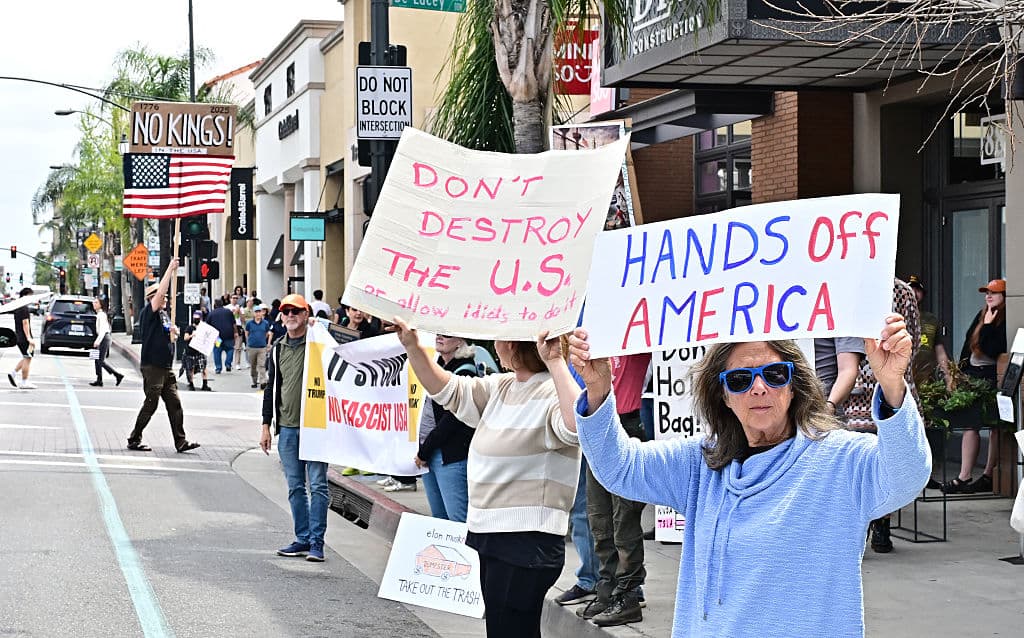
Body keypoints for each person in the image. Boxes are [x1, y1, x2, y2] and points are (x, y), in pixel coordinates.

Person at [567, 314, 929, 638]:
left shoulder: (839, 460)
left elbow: (906, 476)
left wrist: (893, 387)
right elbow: (619, 468)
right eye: (740, 379)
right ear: (723, 395)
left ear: (793, 385)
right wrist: (599, 390)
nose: (759, 388)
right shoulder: (699, 463)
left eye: (773, 375)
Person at [393, 318, 581, 638]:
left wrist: (556, 362)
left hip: (527, 538)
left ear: (511, 344)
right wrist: (412, 346)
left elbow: (577, 426)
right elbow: (446, 389)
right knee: (501, 628)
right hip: (491, 534)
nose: (493, 341)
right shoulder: (502, 386)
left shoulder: (552, 390)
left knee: (511, 630)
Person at [576, 352, 650, 626]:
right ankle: (607, 589)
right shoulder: (596, 344)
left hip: (626, 425)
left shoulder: (633, 345)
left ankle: (629, 594)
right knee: (599, 519)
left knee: (624, 520)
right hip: (598, 427)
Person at [260, 294, 329, 562]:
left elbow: (348, 344)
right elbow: (270, 388)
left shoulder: (319, 344)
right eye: (286, 311)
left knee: (319, 486)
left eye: (296, 311)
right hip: (287, 428)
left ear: (306, 313)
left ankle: (317, 542)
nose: (290, 315)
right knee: (295, 486)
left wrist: (321, 328)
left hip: (316, 427)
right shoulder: (278, 348)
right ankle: (302, 538)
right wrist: (266, 425)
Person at [126, 258, 200, 454]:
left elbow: (168, 334)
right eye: (162, 297)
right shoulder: (148, 312)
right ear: (152, 298)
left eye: (166, 298)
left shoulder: (163, 315)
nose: (165, 299)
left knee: (175, 404)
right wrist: (170, 269)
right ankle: (134, 438)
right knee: (151, 403)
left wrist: (173, 333)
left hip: (166, 367)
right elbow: (160, 293)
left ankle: (180, 441)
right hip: (153, 366)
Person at [943, 279, 1007, 495]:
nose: (989, 296)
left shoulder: (1001, 321)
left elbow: (993, 349)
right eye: (987, 292)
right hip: (973, 377)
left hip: (991, 378)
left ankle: (989, 474)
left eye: (995, 293)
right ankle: (964, 476)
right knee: (971, 424)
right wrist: (960, 373)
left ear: (1005, 297)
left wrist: (989, 326)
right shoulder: (981, 316)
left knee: (995, 426)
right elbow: (967, 346)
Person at [411, 335, 477, 521]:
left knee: (458, 521)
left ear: (460, 340)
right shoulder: (437, 364)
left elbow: (452, 420)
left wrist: (425, 450)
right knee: (439, 520)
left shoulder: (466, 371)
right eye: (438, 332)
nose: (440, 337)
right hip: (430, 453)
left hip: (450, 456)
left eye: (446, 334)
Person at [908, 275, 952, 389]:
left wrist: (948, 377)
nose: (914, 293)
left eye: (918, 290)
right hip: (902, 377)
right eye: (910, 289)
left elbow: (940, 351)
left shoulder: (931, 319)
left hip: (926, 377)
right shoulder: (895, 317)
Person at [89, 297, 125, 387]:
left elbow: (103, 330)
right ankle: (99, 379)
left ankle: (117, 375)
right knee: (97, 359)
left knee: (100, 360)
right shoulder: (100, 314)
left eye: (96, 302)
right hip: (102, 338)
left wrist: (97, 341)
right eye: (94, 302)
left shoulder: (101, 315)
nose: (94, 304)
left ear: (100, 304)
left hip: (104, 338)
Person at [8, 287, 38, 389]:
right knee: (28, 358)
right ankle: (24, 382)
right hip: (24, 337)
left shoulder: (18, 307)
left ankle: (13, 373)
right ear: (26, 296)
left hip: (19, 336)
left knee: (26, 357)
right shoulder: (24, 308)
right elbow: (25, 323)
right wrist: (29, 338)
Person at [181, 311, 212, 392]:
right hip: (190, 351)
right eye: (195, 318)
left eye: (197, 318)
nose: (196, 319)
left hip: (200, 351)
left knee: (203, 367)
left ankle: (205, 384)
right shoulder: (190, 328)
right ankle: (191, 384)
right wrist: (192, 335)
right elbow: (185, 338)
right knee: (191, 368)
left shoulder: (204, 328)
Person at [245, 305, 272, 389]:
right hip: (252, 347)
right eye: (256, 312)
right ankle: (254, 380)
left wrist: (266, 343)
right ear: (254, 313)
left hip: (262, 347)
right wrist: (249, 342)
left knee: (262, 365)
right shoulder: (249, 323)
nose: (258, 314)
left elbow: (267, 333)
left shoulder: (265, 323)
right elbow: (247, 333)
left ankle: (263, 381)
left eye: (259, 312)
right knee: (253, 365)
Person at [207, 298, 236, 373]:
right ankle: (228, 364)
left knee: (217, 351)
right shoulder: (228, 312)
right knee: (230, 349)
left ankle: (218, 368)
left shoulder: (212, 313)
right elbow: (234, 324)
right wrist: (235, 332)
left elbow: (208, 326)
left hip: (217, 337)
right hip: (228, 335)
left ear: (215, 305)